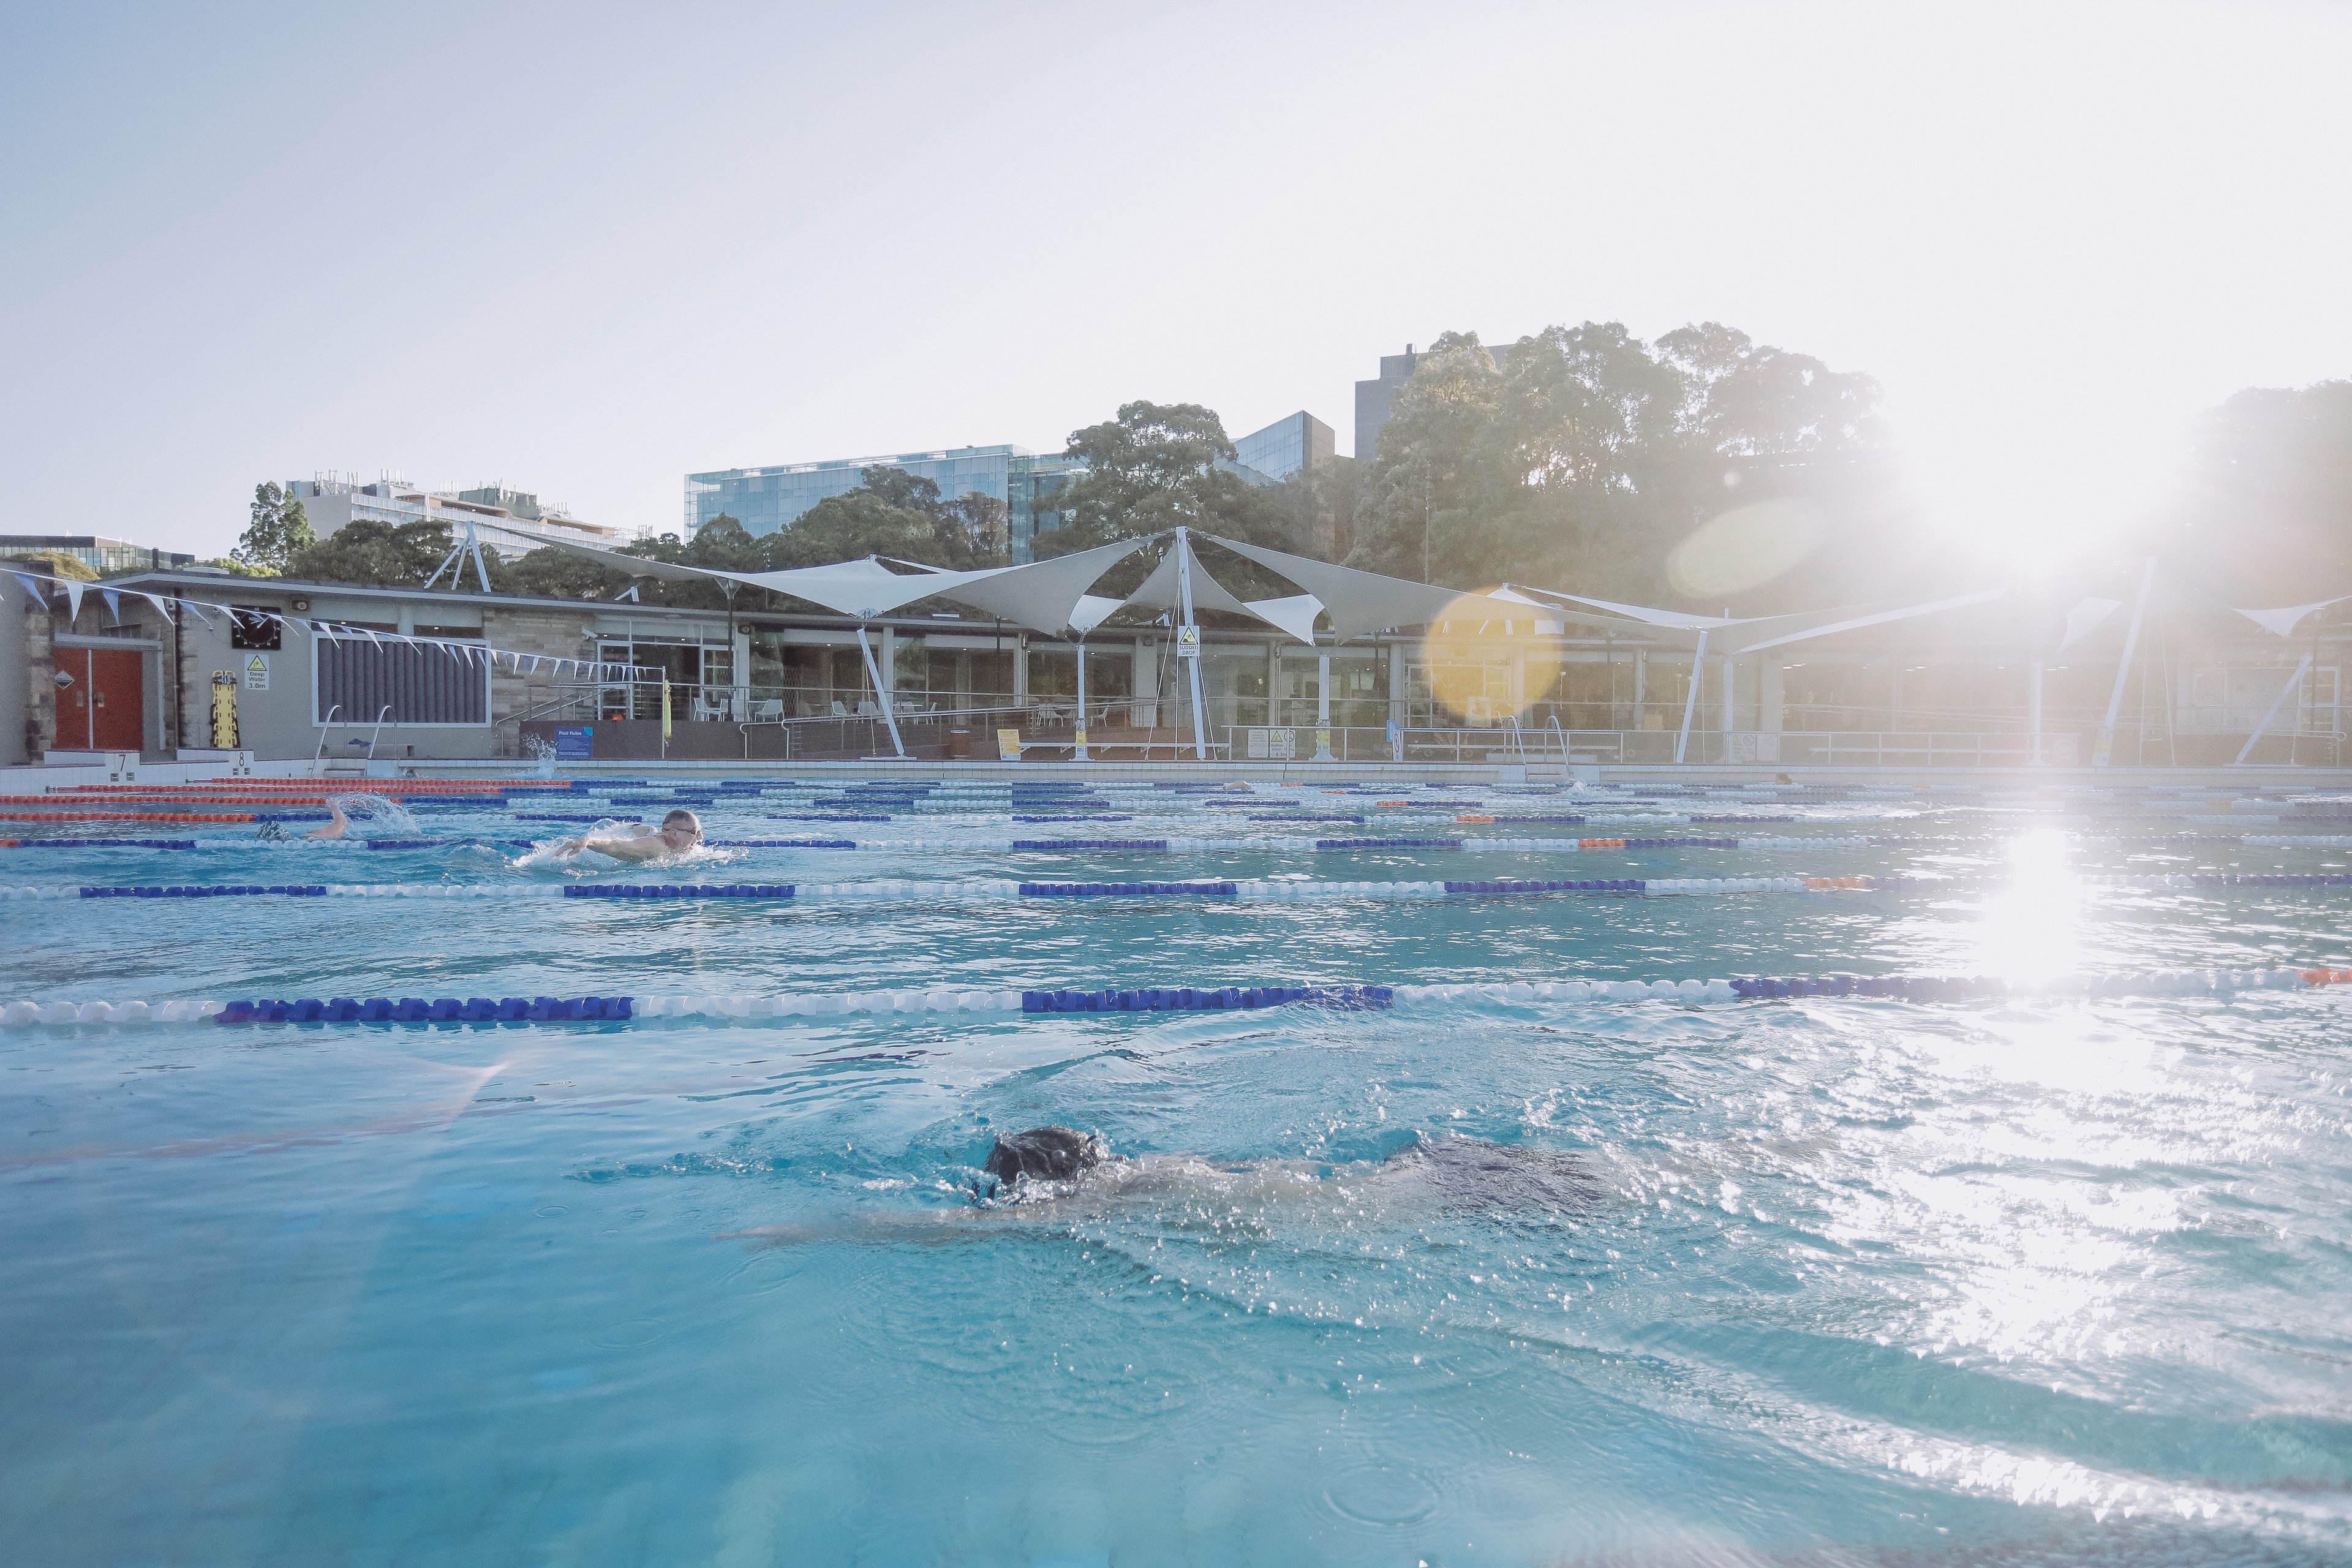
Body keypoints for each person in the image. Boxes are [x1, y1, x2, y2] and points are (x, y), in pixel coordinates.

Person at [554, 808, 703, 863]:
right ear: (675, 833)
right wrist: (588, 841)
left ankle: (634, 827)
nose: (700, 837)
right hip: (646, 837)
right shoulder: (657, 847)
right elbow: (618, 847)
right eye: (695, 832)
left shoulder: (686, 849)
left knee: (649, 829)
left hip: (651, 832)